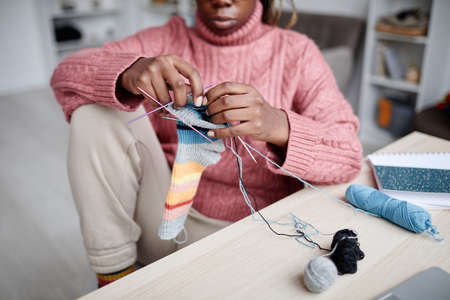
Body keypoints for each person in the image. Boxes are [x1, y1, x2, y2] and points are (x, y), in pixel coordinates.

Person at [51, 0, 363, 287]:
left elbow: (349, 154)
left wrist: (276, 124)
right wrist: (126, 72)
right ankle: (113, 283)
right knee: (95, 112)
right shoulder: (166, 39)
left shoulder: (296, 52)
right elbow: (66, 72)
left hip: (259, 232)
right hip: (163, 218)